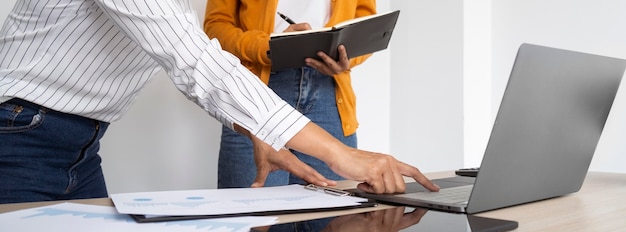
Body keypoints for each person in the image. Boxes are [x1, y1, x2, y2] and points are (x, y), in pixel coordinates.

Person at [0, 0, 438, 204]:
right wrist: (342, 155)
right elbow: (196, 60)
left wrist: (256, 130)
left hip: (77, 147)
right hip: (19, 137)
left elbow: (185, 59)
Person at [204, 0, 376, 188]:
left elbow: (366, 21)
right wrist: (268, 45)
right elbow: (216, 27)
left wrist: (347, 56)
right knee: (254, 212)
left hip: (330, 94)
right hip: (257, 90)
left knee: (332, 212)